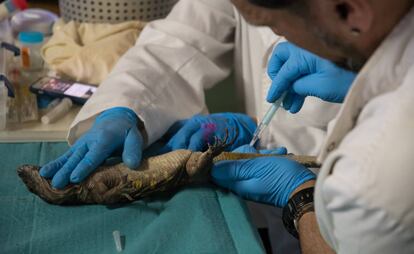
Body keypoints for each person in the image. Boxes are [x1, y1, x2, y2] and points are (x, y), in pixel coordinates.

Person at [40, 0, 354, 252]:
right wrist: (125, 106)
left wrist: (300, 193)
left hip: (347, 216)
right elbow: (180, 40)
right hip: (289, 213)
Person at [211, 0, 414, 253]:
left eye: (274, 25)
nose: (278, 37)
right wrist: (359, 75)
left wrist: (301, 195)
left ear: (350, 11)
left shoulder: (369, 178)